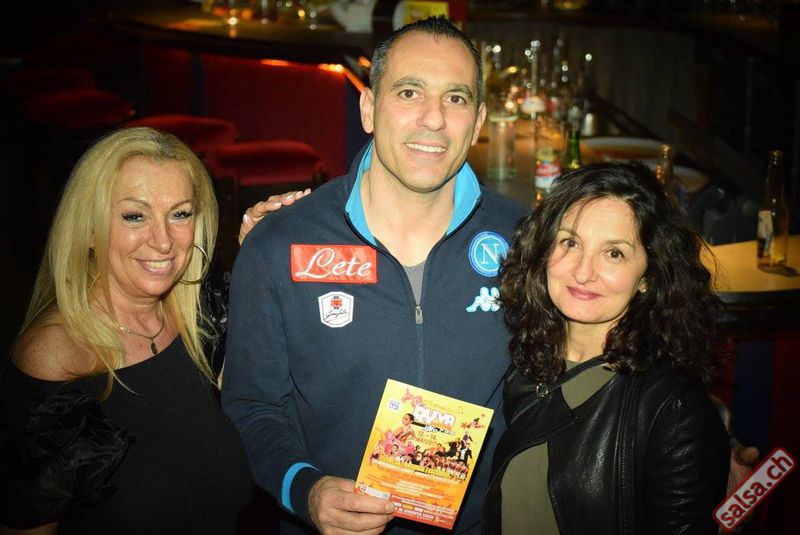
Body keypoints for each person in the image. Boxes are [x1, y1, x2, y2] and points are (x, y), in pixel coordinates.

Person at [222, 16, 527, 535]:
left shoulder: (527, 242)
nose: (433, 118)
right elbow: (252, 407)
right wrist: (305, 489)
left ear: (478, 121)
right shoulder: (280, 245)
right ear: (368, 108)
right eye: (409, 92)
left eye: (455, 98)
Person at [0, 127, 275, 534]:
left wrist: (265, 250)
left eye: (180, 214)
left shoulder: (196, 323)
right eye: (134, 216)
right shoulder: (56, 356)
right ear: (88, 230)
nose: (163, 242)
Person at [483, 162, 730, 533]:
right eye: (570, 243)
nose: (583, 272)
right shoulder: (523, 358)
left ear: (648, 275)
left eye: (614, 253)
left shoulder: (673, 410)